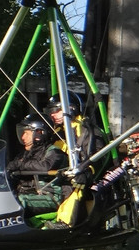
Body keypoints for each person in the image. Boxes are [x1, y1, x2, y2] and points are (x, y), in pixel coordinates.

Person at [44, 93, 107, 227]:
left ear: (70, 108)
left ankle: (66, 223)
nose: (52, 115)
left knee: (76, 185)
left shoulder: (87, 130)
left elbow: (97, 156)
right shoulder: (57, 132)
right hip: (58, 174)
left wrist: (86, 172)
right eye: (51, 111)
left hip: (80, 176)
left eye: (56, 111)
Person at [7, 114, 66, 216]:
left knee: (17, 202)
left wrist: (20, 164)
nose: (22, 137)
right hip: (28, 193)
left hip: (50, 197)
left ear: (39, 133)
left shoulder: (55, 153)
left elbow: (45, 166)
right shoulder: (25, 154)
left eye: (26, 133)